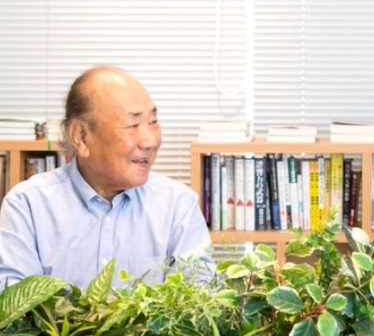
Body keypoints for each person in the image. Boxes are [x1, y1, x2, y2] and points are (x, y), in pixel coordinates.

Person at [0, 66, 214, 289]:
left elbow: (198, 297)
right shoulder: (27, 206)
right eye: (132, 125)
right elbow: (14, 303)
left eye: (153, 122)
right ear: (81, 136)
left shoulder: (178, 206)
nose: (150, 141)